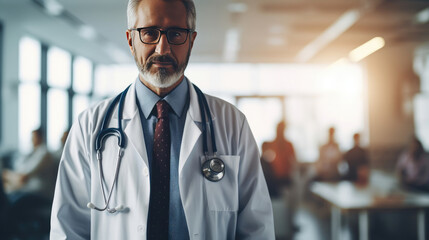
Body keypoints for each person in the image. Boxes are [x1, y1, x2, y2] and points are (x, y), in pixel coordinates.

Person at [50, 0, 275, 239]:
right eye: (149, 33)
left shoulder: (232, 124)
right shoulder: (89, 126)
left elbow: (256, 227)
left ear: (191, 40)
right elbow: (68, 229)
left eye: (176, 33)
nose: (162, 49)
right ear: (130, 40)